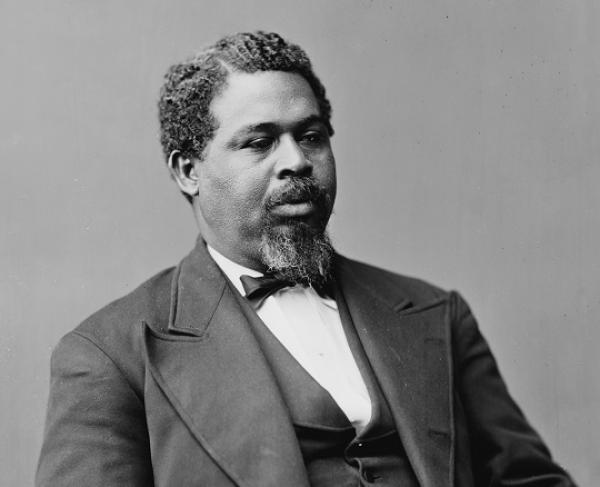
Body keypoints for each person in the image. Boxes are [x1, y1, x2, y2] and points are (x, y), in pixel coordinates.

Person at [36, 31, 576, 487]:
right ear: (188, 171)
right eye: (259, 142)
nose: (296, 160)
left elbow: (531, 481)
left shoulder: (437, 314)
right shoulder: (112, 355)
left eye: (311, 136)